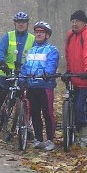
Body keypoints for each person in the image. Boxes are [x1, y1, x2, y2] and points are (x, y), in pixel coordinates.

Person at [21, 21, 59, 151]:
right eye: (36, 32)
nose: (38, 34)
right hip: (32, 86)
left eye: (41, 32)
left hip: (45, 86)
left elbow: (51, 65)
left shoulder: (52, 50)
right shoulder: (31, 50)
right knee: (34, 113)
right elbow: (25, 66)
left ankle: (50, 139)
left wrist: (47, 73)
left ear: (47, 35)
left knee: (47, 113)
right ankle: (38, 138)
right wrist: (22, 77)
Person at [64, 10, 87, 147]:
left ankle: (84, 135)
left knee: (82, 107)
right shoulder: (70, 35)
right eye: (72, 21)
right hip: (74, 77)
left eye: (77, 21)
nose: (74, 24)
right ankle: (74, 132)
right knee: (72, 104)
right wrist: (68, 70)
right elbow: (67, 54)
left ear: (84, 23)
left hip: (85, 78)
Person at [0, 11, 34, 107]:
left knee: (23, 101)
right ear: (14, 23)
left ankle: (20, 119)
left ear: (27, 24)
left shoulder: (32, 39)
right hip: (6, 74)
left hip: (23, 75)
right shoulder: (8, 36)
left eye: (23, 22)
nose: (21, 24)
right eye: (18, 22)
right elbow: (0, 50)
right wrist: (2, 63)